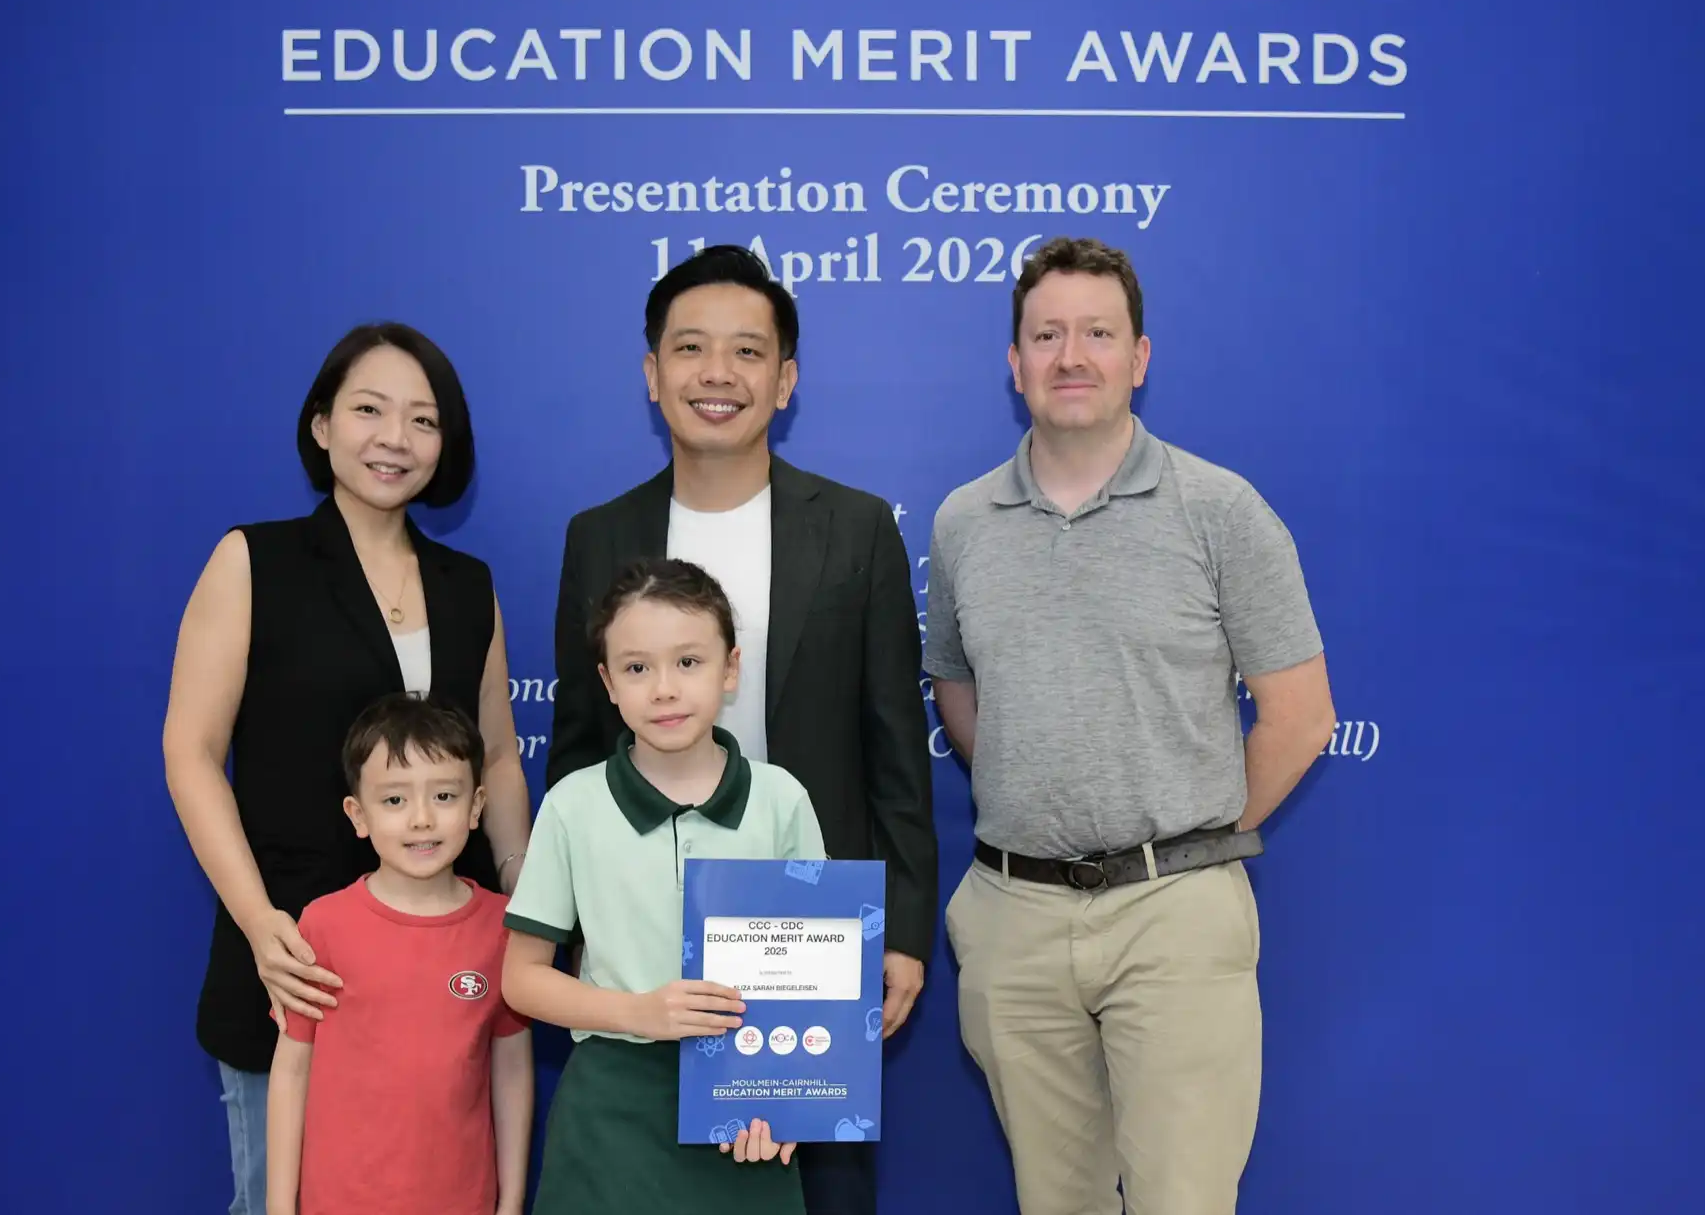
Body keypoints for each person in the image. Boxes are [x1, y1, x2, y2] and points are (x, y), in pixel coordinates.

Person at [924, 237, 1338, 1215]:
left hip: (1175, 916)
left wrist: (1182, 834)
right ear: (1014, 361)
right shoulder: (962, 523)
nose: (1072, 355)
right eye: (1047, 335)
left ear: (1140, 356)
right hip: (1016, 916)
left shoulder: (1221, 510)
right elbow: (962, 697)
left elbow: (1301, 715)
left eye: (1098, 333)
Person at [543, 245, 937, 1214]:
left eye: (747, 351)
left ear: (786, 379)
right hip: (643, 952)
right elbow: (580, 744)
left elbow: (896, 748)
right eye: (690, 348)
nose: (717, 373)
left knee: (817, 1193)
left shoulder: (857, 529)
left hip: (813, 943)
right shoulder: (600, 535)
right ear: (652, 373)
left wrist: (900, 929)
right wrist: (581, 935)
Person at [161, 322, 534, 1214]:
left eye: (423, 419)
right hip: (298, 960)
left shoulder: (467, 583)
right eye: (369, 410)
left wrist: (525, 890)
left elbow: (497, 750)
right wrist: (262, 924)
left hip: (445, 974)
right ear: (322, 424)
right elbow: (191, 752)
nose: (394, 438)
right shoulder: (253, 560)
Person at [504, 557, 824, 1214]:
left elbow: (820, 983)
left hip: (747, 1106)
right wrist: (638, 1012)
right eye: (636, 668)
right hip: (611, 1109)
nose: (664, 689)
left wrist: (790, 1100)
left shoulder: (781, 800)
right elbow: (522, 978)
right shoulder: (571, 805)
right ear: (607, 682)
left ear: (730, 668)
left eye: (688, 661)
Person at [265, 694, 534, 1215]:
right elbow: (292, 1070)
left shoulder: (502, 929)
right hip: (339, 1202)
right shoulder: (324, 926)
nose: (421, 819)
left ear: (476, 806)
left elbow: (512, 1068)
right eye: (394, 800)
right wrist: (279, 1205)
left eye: (444, 796)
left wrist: (512, 1198)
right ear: (357, 814)